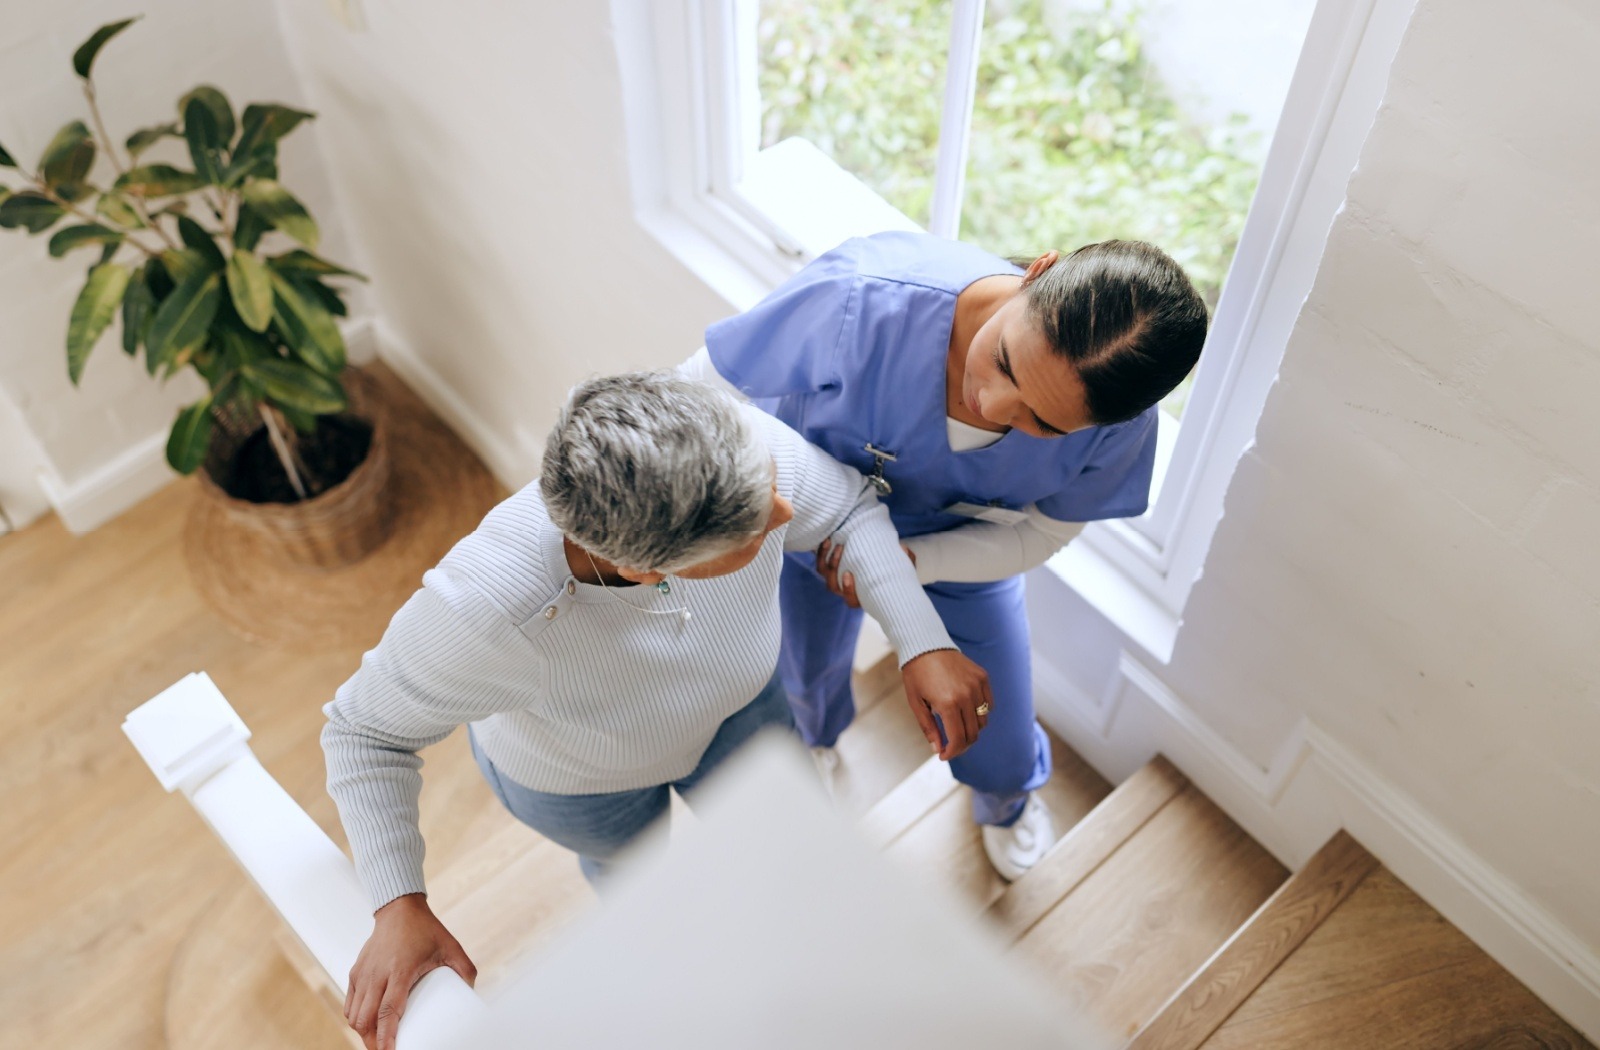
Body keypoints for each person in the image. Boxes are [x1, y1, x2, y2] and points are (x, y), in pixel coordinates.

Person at [322, 371, 991, 1050]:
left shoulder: (732, 446)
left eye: (770, 488)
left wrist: (921, 638)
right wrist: (398, 901)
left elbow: (845, 509)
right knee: (641, 882)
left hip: (745, 712)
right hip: (584, 786)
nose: (787, 515)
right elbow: (362, 732)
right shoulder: (486, 610)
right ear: (645, 571)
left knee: (798, 843)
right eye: (755, 533)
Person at [681, 230, 1207, 881]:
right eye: (1008, 364)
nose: (992, 406)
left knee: (997, 718)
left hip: (960, 545)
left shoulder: (1120, 428)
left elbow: (1041, 535)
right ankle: (815, 740)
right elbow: (697, 391)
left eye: (1042, 424)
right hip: (801, 531)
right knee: (802, 670)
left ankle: (1006, 797)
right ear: (1038, 271)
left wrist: (914, 564)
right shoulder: (861, 300)